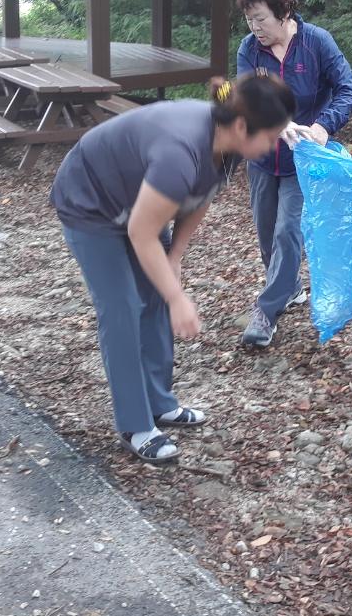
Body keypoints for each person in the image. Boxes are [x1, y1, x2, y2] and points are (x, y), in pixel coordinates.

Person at [50, 74, 295, 464]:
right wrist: (178, 297)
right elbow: (141, 233)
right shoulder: (179, 153)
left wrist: (175, 256)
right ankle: (135, 424)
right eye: (270, 136)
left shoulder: (226, 146)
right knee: (122, 307)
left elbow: (201, 195)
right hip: (91, 203)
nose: (274, 144)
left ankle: (160, 403)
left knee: (156, 296)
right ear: (242, 126)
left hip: (137, 203)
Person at [235, 0, 352, 348]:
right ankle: (289, 287)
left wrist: (323, 126)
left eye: (261, 18)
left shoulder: (316, 43)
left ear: (283, 12)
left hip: (303, 161)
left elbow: (348, 89)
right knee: (268, 239)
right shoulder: (249, 50)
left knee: (288, 232)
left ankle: (266, 312)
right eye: (249, 19)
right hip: (262, 159)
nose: (255, 27)